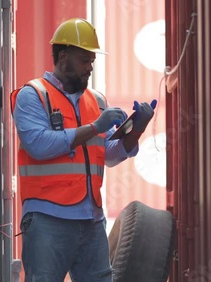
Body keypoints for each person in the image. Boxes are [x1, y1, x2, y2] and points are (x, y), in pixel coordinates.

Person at [10, 18, 156, 282]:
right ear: (63, 57)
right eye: (84, 60)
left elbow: (109, 154)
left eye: (92, 61)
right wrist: (94, 126)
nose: (90, 67)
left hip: (91, 218)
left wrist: (136, 130)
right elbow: (39, 146)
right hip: (47, 218)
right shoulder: (32, 95)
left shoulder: (96, 100)